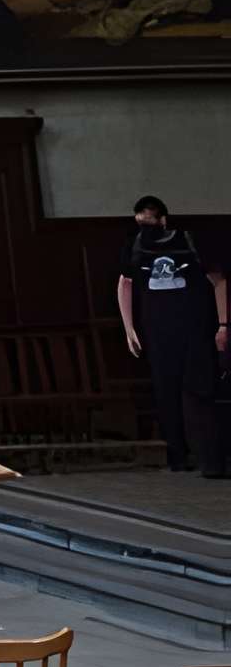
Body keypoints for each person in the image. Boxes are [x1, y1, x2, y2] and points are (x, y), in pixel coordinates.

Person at [118, 194, 229, 477]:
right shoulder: (136, 245)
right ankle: (177, 454)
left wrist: (222, 324)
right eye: (140, 221)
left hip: (195, 328)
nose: (146, 226)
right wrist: (129, 327)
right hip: (157, 331)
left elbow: (218, 281)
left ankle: (208, 455)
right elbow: (125, 283)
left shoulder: (187, 241)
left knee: (201, 389)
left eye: (150, 219)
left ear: (163, 219)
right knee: (166, 393)